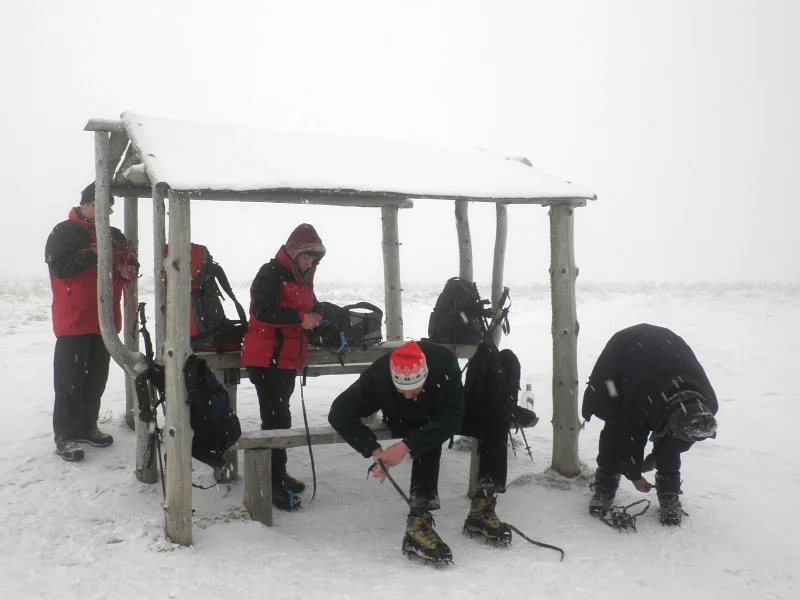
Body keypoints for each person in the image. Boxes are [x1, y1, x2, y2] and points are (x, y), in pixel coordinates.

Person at [328, 340, 514, 564]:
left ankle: (483, 503)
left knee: (496, 418)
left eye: (414, 389)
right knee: (422, 428)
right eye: (402, 390)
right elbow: (339, 413)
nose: (409, 395)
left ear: (425, 375)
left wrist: (405, 446)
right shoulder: (378, 376)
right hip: (403, 417)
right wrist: (374, 449)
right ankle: (418, 518)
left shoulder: (444, 363)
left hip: (441, 409)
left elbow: (452, 417)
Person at [582, 323, 719, 525]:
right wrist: (635, 476)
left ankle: (669, 493)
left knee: (671, 441)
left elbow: (683, 439)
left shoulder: (708, 406)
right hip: (625, 355)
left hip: (666, 357)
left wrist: (655, 458)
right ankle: (605, 483)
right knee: (615, 423)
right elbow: (628, 437)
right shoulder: (644, 401)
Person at [45, 182, 137, 462]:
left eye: (107, 207)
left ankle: (87, 427)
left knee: (96, 379)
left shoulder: (115, 235)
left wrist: (127, 270)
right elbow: (59, 268)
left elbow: (131, 262)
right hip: (73, 319)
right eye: (98, 206)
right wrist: (93, 254)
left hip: (104, 319)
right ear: (84, 204)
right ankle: (66, 436)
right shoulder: (64, 231)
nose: (103, 212)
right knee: (69, 381)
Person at [240, 224, 325, 509]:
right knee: (275, 421)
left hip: (286, 359)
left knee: (281, 420)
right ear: (295, 252)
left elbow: (309, 306)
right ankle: (272, 481)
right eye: (306, 257)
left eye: (313, 259)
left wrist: (317, 316)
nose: (310, 263)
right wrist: (301, 318)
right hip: (267, 359)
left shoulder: (302, 279)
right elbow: (261, 311)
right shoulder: (271, 272)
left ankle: (278, 474)